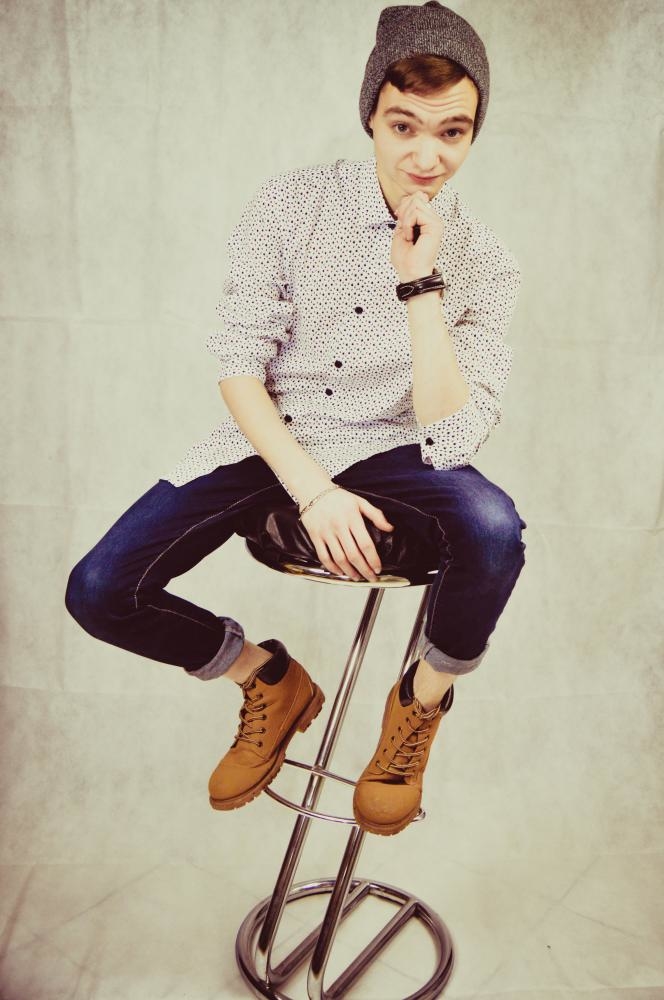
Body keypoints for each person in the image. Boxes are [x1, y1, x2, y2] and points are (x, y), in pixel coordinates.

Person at [65, 0, 527, 837]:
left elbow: (452, 438)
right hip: (274, 437)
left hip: (392, 446)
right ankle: (267, 680)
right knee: (99, 592)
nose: (426, 156)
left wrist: (421, 285)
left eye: (453, 132)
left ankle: (418, 707)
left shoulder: (486, 260)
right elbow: (238, 364)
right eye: (404, 126)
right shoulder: (289, 204)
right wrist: (313, 491)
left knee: (496, 531)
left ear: (473, 134)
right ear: (371, 117)